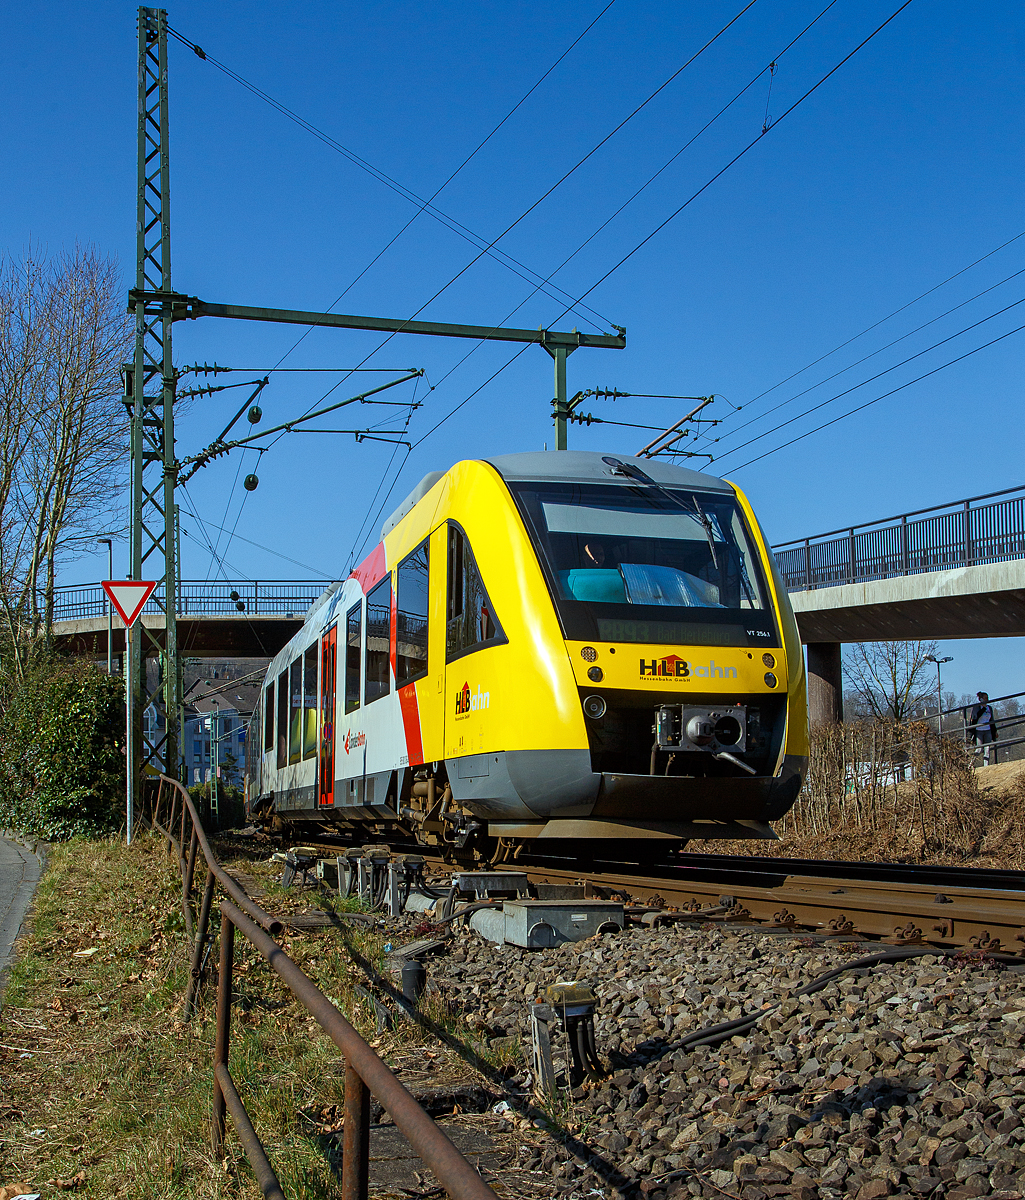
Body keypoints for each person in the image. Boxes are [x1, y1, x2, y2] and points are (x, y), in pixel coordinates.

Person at [968, 691, 997, 765]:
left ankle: (986, 766)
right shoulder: (977, 707)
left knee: (987, 748)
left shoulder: (989, 708)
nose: (987, 699)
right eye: (985, 698)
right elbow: (975, 717)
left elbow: (991, 720)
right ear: (981, 699)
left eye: (987, 698)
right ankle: (971, 764)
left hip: (987, 730)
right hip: (979, 730)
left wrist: (995, 731)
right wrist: (983, 708)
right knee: (979, 749)